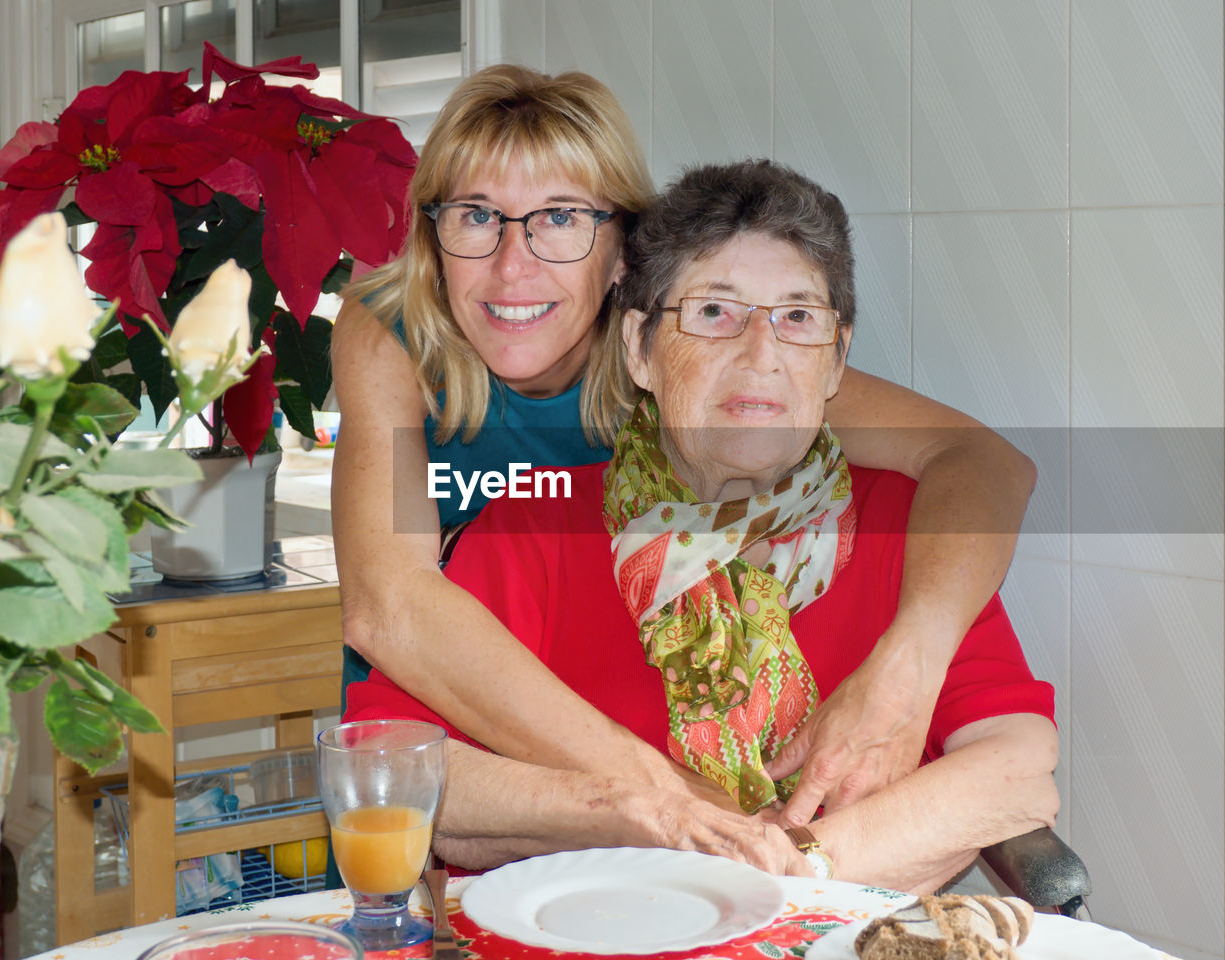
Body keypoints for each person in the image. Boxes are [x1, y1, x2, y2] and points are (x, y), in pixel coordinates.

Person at [331, 64, 1037, 826]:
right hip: (436, 731)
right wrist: (675, 804)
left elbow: (983, 463)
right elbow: (388, 607)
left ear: (621, 255)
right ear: (432, 234)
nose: (514, 264)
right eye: (476, 214)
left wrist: (910, 664)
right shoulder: (392, 335)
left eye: (561, 218)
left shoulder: (698, 357)